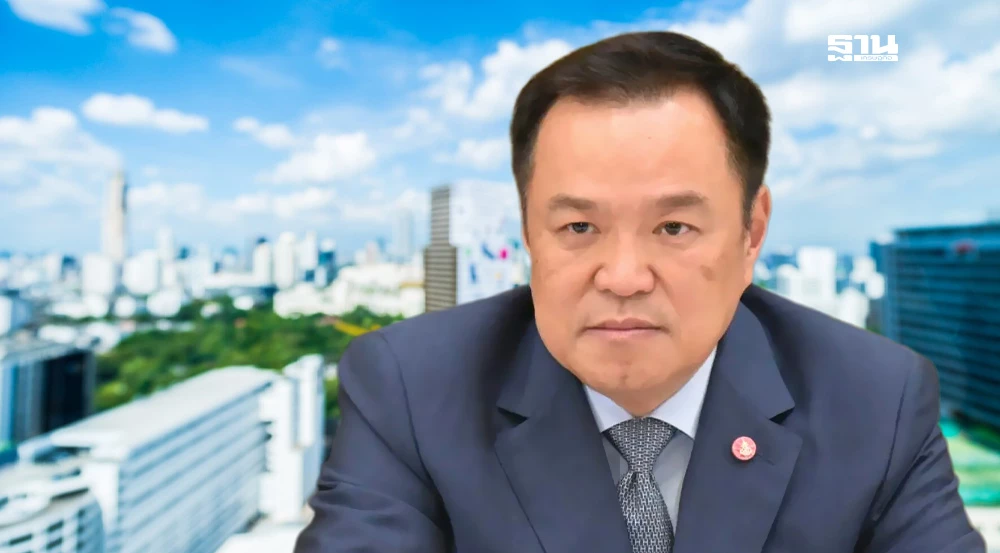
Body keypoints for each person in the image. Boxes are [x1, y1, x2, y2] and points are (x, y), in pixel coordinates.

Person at [293, 31, 985, 553]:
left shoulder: (878, 399)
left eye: (673, 227)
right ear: (530, 233)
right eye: (579, 227)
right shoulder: (410, 388)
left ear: (751, 233)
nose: (623, 277)